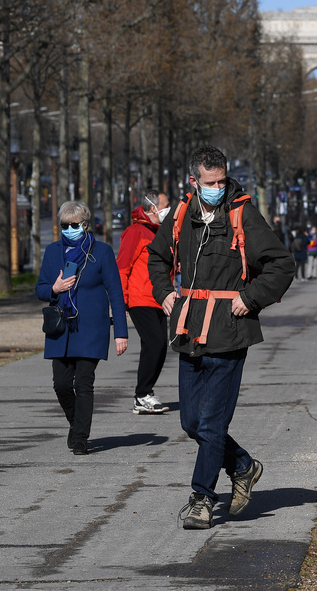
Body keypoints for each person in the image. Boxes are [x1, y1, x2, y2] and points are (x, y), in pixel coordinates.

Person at [147, 145, 295, 530]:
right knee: (192, 423)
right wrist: (163, 292)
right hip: (188, 329)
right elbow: (158, 257)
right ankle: (243, 466)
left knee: (212, 423)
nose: (216, 187)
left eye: (221, 181)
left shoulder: (242, 213)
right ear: (193, 181)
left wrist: (250, 298)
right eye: (209, 182)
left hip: (229, 332)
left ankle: (201, 498)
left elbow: (281, 264)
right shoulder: (180, 214)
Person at [36, 200, 129, 455]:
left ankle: (80, 438)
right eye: (64, 225)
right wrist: (54, 289)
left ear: (85, 225)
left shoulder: (102, 252)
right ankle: (76, 423)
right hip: (60, 330)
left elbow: (116, 294)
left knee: (84, 384)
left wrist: (120, 332)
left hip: (91, 329)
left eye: (74, 225)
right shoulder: (53, 251)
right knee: (61, 385)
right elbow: (40, 288)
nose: (68, 229)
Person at [117, 190, 171, 415]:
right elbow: (122, 267)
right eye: (166, 205)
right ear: (152, 208)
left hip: (159, 299)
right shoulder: (135, 232)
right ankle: (142, 394)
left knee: (161, 346)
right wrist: (122, 303)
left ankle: (145, 393)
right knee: (154, 342)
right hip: (140, 298)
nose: (169, 209)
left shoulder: (160, 233)